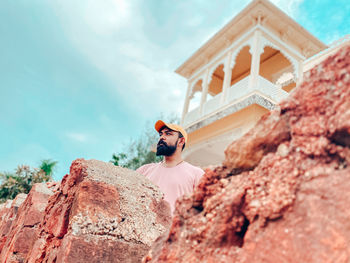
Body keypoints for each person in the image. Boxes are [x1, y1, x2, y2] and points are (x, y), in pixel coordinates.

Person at [137, 120, 204, 214]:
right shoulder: (144, 170)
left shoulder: (196, 174)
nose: (162, 138)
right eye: (161, 134)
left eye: (168, 134)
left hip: (174, 228)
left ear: (181, 141)